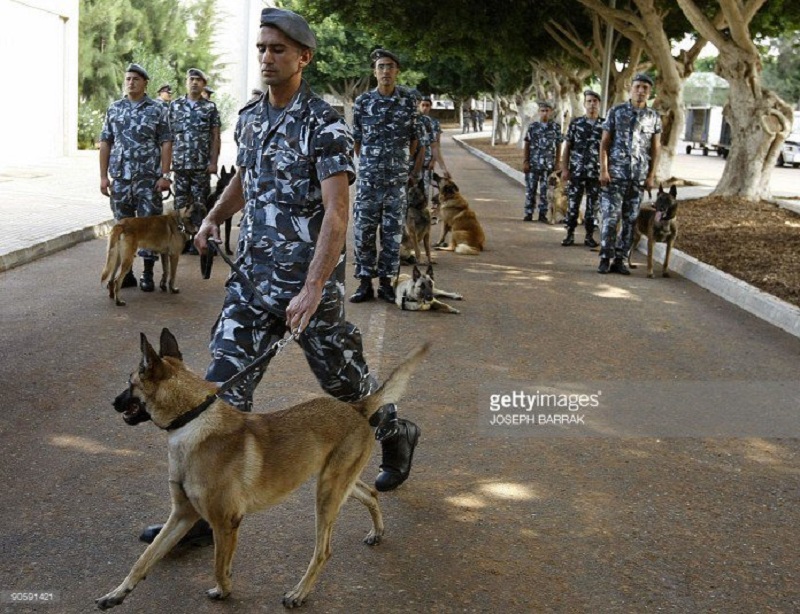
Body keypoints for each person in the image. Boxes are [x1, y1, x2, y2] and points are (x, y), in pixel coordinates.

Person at [138, 7, 422, 548]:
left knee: (346, 389)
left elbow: (338, 211)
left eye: (278, 50)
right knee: (220, 391)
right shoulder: (249, 118)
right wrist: (215, 216)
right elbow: (248, 175)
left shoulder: (326, 123)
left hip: (307, 287)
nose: (267, 58)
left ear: (303, 58)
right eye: (262, 49)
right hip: (251, 282)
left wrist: (315, 287)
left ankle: (394, 430)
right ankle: (203, 512)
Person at [349, 48, 425, 303]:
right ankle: (364, 284)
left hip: (395, 183)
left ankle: (386, 284)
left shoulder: (408, 101)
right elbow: (356, 140)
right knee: (364, 232)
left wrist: (403, 166)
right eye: (381, 67)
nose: (385, 71)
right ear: (374, 72)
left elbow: (415, 140)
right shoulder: (363, 103)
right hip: (369, 182)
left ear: (397, 71)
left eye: (390, 66)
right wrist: (369, 164)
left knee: (392, 236)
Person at [99, 63, 172, 292]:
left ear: (145, 83)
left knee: (149, 227)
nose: (131, 82)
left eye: (136, 79)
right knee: (123, 227)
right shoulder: (115, 108)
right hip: (121, 179)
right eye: (128, 79)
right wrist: (103, 176)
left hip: (148, 179)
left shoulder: (157, 109)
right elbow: (105, 143)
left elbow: (166, 142)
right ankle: (126, 273)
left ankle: (148, 273)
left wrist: (165, 175)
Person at [598, 73, 662, 274]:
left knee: (630, 220)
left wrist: (651, 175)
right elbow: (605, 143)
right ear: (631, 88)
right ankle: (605, 258)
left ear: (650, 92)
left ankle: (621, 259)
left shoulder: (654, 117)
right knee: (610, 218)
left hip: (637, 177)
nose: (641, 91)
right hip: (615, 176)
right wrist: (604, 169)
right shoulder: (616, 111)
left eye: (645, 88)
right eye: (638, 87)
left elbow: (655, 148)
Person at [168, 68, 221, 252]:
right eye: (192, 79)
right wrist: (166, 169)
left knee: (200, 205)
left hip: (201, 166)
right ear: (186, 82)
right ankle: (180, 241)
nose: (195, 82)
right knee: (180, 206)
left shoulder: (209, 108)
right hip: (180, 165)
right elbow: (168, 138)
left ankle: (200, 241)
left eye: (199, 80)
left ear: (204, 85)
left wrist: (213, 162)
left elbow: (215, 137)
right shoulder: (174, 106)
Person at [561, 90, 604, 248]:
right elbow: (568, 147)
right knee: (573, 204)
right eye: (589, 101)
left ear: (599, 104)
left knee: (592, 207)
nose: (592, 104)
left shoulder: (605, 125)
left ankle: (589, 236)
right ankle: (569, 234)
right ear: (585, 104)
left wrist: (606, 171)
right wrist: (564, 169)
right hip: (577, 171)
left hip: (596, 173)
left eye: (595, 101)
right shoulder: (576, 124)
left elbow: (608, 150)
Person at [523, 101, 562, 222]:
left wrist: (557, 162)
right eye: (542, 111)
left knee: (545, 191)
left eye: (547, 111)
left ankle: (542, 214)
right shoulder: (533, 127)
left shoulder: (556, 128)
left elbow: (558, 145)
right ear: (539, 112)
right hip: (533, 164)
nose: (544, 113)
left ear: (551, 112)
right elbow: (527, 144)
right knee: (530, 189)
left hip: (548, 165)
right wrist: (525, 161)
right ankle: (529, 213)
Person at [418, 96, 451, 190]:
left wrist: (433, 161)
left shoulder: (434, 122)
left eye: (427, 105)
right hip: (412, 163)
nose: (425, 107)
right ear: (418, 105)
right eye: (423, 105)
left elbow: (436, 144)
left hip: (426, 162)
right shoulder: (413, 120)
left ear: (430, 107)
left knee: (424, 190)